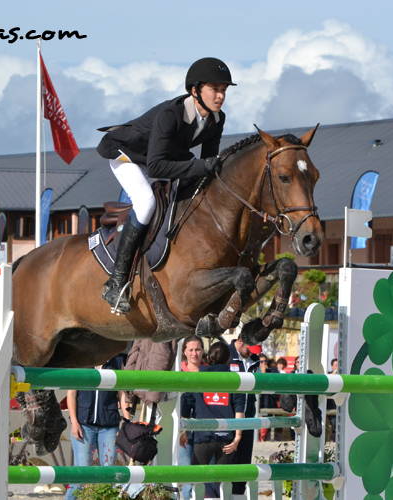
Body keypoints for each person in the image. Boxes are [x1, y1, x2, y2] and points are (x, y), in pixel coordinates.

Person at [96, 57, 235, 314]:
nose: (220, 96)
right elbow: (158, 167)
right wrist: (202, 166)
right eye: (215, 89)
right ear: (195, 91)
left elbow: (207, 163)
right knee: (146, 203)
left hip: (161, 157)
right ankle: (115, 283)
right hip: (127, 155)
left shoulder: (217, 119)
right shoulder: (171, 114)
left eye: (224, 90)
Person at [182, 342, 244, 498]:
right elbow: (239, 410)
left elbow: (185, 408)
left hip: (203, 437)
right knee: (220, 483)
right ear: (228, 359)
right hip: (227, 439)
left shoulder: (197, 378)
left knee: (198, 481)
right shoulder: (235, 379)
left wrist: (182, 431)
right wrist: (238, 438)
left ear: (208, 357)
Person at [65, 355, 124, 500]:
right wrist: (74, 422)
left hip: (109, 425)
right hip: (83, 425)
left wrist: (127, 421)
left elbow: (122, 393)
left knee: (108, 470)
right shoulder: (81, 361)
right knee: (82, 471)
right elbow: (71, 394)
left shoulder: (117, 362)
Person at [228, 335, 261, 496]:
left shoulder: (254, 360)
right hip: (229, 416)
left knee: (244, 458)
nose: (251, 352)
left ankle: (239, 494)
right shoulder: (226, 354)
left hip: (248, 416)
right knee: (228, 458)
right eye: (249, 348)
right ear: (240, 340)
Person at [178, 336, 206, 500]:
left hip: (205, 429)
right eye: (191, 350)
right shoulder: (178, 372)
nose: (194, 353)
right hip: (184, 429)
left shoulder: (209, 372)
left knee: (205, 471)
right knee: (186, 469)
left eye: (198, 349)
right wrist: (182, 430)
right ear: (184, 352)